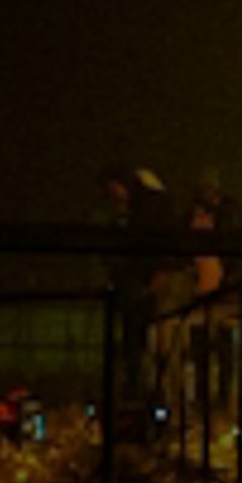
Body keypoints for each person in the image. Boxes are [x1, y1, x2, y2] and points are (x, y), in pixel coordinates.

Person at [98, 164, 174, 401]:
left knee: (143, 336)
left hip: (143, 280)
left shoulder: (143, 210)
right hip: (143, 279)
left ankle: (141, 386)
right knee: (146, 336)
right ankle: (144, 386)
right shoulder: (148, 207)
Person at [185, 167, 242, 407]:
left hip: (219, 287)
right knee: (202, 346)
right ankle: (206, 395)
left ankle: (221, 395)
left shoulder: (226, 214)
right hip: (201, 287)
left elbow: (236, 251)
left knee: (222, 345)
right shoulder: (195, 215)